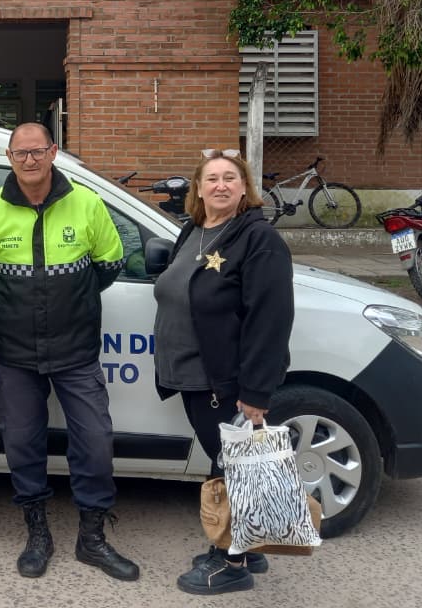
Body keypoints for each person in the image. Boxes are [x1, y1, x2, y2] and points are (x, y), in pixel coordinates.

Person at [0, 122, 139, 582]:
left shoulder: (86, 203)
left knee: (96, 443)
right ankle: (37, 532)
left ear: (53, 152)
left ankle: (92, 538)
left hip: (76, 350)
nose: (29, 160)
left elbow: (109, 263)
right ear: (9, 157)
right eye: (20, 153)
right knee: (22, 445)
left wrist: (73, 302)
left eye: (37, 151)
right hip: (16, 353)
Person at [150, 148, 294, 596]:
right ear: (198, 189)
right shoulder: (194, 230)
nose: (220, 185)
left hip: (224, 379)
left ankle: (229, 563)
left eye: (230, 178)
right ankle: (248, 549)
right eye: (210, 178)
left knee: (230, 465)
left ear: (245, 187)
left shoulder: (258, 239)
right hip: (191, 373)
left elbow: (270, 320)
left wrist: (255, 391)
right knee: (233, 460)